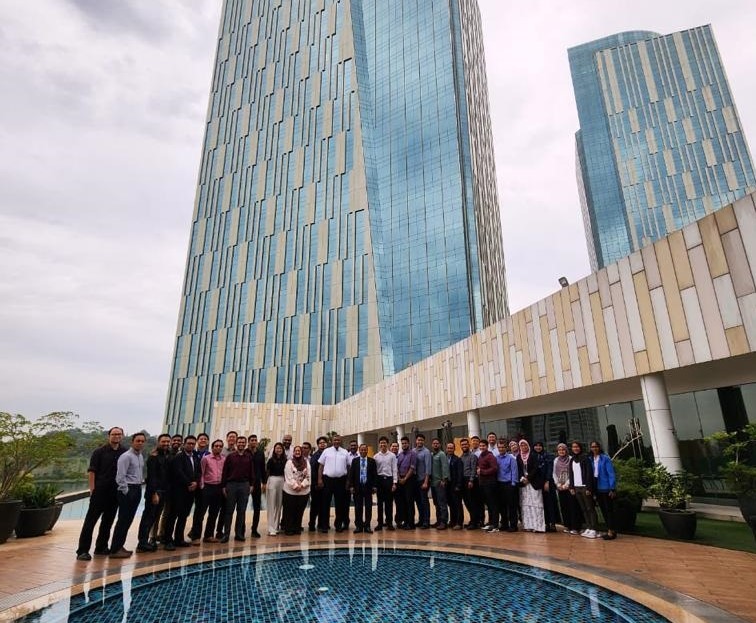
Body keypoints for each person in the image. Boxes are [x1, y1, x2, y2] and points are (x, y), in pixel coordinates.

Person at [76, 427, 125, 561]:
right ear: (109, 436)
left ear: (122, 436)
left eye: (119, 434)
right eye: (114, 434)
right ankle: (82, 550)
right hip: (100, 492)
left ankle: (101, 547)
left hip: (115, 493)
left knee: (107, 522)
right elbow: (92, 471)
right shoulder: (99, 452)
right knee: (90, 522)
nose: (116, 436)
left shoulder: (124, 452)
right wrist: (92, 490)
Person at [109, 432, 146, 558]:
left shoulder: (140, 457)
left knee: (128, 520)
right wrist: (126, 491)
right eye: (138, 441)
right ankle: (114, 549)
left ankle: (120, 545)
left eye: (142, 441)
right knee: (123, 520)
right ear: (132, 442)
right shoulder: (126, 456)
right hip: (128, 489)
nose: (140, 443)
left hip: (137, 488)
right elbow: (120, 476)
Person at [136, 433, 171, 553]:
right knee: (148, 517)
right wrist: (154, 493)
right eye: (163, 442)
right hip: (154, 492)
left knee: (154, 517)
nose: (166, 444)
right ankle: (142, 543)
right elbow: (151, 477)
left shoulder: (167, 456)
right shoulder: (153, 457)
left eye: (167, 442)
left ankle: (145, 542)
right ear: (158, 442)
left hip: (164, 491)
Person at [164, 435, 200, 550]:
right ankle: (168, 540)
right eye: (189, 443)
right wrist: (189, 483)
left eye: (193, 444)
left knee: (183, 516)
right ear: (184, 444)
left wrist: (196, 482)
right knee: (172, 516)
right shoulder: (178, 457)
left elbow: (198, 471)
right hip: (178, 491)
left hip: (190, 492)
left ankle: (179, 539)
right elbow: (178, 473)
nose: (191, 445)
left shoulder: (195, 457)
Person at [220, 435, 254, 543]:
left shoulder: (248, 457)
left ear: (245, 444)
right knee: (228, 511)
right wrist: (224, 486)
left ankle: (239, 534)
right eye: (239, 442)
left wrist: (251, 485)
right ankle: (226, 534)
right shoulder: (230, 457)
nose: (241, 444)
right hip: (231, 485)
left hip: (244, 485)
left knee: (241, 511)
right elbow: (225, 472)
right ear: (236, 443)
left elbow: (251, 472)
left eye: (243, 442)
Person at [317, 435, 351, 533]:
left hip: (341, 481)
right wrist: (320, 479)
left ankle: (338, 525)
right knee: (325, 503)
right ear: (332, 441)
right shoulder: (326, 451)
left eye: (338, 440)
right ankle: (324, 525)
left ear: (341, 441)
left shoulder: (345, 452)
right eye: (335, 440)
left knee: (340, 504)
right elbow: (321, 466)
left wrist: (348, 481)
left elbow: (348, 467)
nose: (336, 441)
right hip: (327, 480)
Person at [569, 440, 599, 539]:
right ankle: (589, 527)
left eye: (577, 447)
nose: (575, 449)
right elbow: (571, 474)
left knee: (590, 508)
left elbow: (589, 473)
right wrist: (571, 487)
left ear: (580, 448)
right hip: (576, 487)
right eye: (573, 447)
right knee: (583, 509)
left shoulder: (585, 458)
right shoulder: (572, 459)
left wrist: (589, 487)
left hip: (585, 486)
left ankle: (594, 528)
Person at [198, 439, 226, 543]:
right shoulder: (206, 459)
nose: (218, 447)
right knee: (201, 512)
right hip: (207, 487)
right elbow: (201, 473)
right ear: (212, 447)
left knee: (214, 513)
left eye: (220, 446)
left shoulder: (224, 459)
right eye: (216, 446)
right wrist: (202, 487)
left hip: (218, 488)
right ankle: (196, 535)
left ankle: (208, 535)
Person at [590, 441, 618, 540]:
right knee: (603, 511)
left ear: (599, 447)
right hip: (597, 488)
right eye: (592, 447)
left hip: (606, 488)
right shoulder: (591, 459)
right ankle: (609, 530)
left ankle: (611, 531)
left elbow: (611, 474)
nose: (594, 448)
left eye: (596, 446)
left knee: (609, 510)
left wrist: (612, 488)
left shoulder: (605, 458)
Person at [517, 439, 545, 532]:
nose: (523, 447)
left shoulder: (533, 455)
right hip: (524, 484)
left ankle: (538, 526)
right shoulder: (518, 456)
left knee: (536, 504)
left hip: (533, 482)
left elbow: (536, 468)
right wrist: (522, 478)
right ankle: (528, 525)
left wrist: (528, 478)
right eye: (521, 446)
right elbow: (519, 470)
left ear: (528, 446)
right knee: (526, 504)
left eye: (525, 445)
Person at [282, 445, 311, 535]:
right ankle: (288, 528)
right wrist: (295, 486)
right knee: (289, 511)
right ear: (293, 452)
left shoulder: (306, 462)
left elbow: (309, 476)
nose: (297, 452)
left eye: (299, 451)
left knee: (299, 511)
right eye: (296, 451)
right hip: (290, 492)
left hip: (303, 492)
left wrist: (302, 485)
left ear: (301, 452)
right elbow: (288, 476)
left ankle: (297, 527)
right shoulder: (289, 463)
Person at [349, 443, 377, 533]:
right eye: (362, 449)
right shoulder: (355, 461)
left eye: (365, 449)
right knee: (358, 507)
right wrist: (351, 486)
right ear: (359, 450)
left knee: (368, 507)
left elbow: (374, 475)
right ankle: (359, 526)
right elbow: (351, 474)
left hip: (368, 487)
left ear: (367, 451)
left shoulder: (372, 461)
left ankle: (367, 525)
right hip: (358, 487)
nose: (363, 451)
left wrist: (374, 486)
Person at [553, 443, 579, 534]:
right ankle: (568, 526)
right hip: (560, 487)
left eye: (563, 450)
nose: (561, 451)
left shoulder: (571, 459)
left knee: (572, 506)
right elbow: (554, 473)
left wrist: (566, 484)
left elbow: (572, 473)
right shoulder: (556, 460)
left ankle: (575, 527)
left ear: (566, 450)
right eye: (559, 450)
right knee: (564, 507)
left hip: (569, 486)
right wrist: (558, 484)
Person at [533, 441, 558, 532]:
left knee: (550, 503)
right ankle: (546, 523)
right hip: (538, 484)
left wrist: (547, 481)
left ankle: (552, 523)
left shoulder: (548, 456)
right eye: (536, 445)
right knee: (542, 504)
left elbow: (550, 469)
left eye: (540, 445)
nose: (538, 447)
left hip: (547, 483)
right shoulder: (533, 456)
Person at [373, 436, 397, 531]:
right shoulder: (376, 456)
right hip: (379, 480)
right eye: (381, 443)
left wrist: (394, 483)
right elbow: (374, 472)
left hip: (389, 480)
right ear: (379, 444)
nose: (383, 444)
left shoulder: (392, 456)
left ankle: (389, 523)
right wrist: (375, 485)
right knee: (380, 503)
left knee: (389, 503)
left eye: (384, 443)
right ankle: (379, 523)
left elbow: (394, 469)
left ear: (387, 444)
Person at [496, 438, 519, 532]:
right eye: (499, 447)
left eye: (502, 447)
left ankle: (513, 525)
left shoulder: (511, 458)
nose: (501, 449)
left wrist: (513, 484)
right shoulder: (496, 458)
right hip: (499, 484)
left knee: (512, 506)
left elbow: (514, 472)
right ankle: (504, 524)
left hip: (509, 484)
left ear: (506, 448)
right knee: (502, 506)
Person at [477, 439, 499, 531]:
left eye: (483, 446)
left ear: (487, 446)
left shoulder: (490, 456)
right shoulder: (481, 456)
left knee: (493, 504)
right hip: (483, 483)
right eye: (480, 446)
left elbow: (494, 469)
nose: (482, 447)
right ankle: (490, 522)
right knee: (488, 505)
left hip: (490, 483)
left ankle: (495, 524)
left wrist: (482, 471)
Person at [459, 438, 481, 529]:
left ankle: (475, 522)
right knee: (467, 502)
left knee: (472, 502)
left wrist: (471, 480)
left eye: (465, 444)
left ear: (469, 445)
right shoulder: (461, 457)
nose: (464, 446)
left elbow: (473, 469)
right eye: (462, 445)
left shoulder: (473, 456)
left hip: (470, 481)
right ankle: (472, 520)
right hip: (463, 481)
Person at [247, 434, 266, 538]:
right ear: (249, 442)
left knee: (257, 507)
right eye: (252, 440)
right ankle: (240, 529)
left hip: (257, 482)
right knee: (243, 508)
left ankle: (254, 529)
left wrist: (264, 482)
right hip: (246, 483)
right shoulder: (245, 452)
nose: (254, 442)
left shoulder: (260, 453)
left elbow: (263, 468)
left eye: (255, 440)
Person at [266, 442, 287, 536]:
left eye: (280, 448)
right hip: (272, 480)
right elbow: (267, 472)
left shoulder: (285, 460)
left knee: (279, 505)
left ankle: (276, 526)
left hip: (282, 481)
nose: (278, 450)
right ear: (274, 450)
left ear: (282, 450)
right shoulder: (271, 460)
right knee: (271, 504)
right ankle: (271, 527)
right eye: (277, 448)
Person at [396, 437, 416, 529]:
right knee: (402, 502)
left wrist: (405, 478)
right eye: (402, 443)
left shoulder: (413, 454)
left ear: (408, 444)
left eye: (405, 443)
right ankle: (405, 521)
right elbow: (397, 467)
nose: (404, 445)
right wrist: (400, 478)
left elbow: (412, 468)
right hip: (400, 480)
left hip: (409, 480)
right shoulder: (399, 455)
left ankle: (411, 523)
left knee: (409, 502)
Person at [429, 438, 449, 529]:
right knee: (436, 503)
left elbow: (445, 467)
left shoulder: (442, 454)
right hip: (433, 483)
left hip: (440, 483)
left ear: (440, 445)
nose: (435, 445)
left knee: (442, 503)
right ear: (432, 445)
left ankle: (444, 522)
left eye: (437, 443)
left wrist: (444, 480)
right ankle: (438, 520)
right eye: (434, 443)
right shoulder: (432, 455)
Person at [413, 434, 432, 529]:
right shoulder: (413, 451)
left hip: (423, 480)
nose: (419, 441)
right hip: (415, 481)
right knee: (418, 502)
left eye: (421, 440)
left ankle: (426, 521)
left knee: (424, 501)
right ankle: (421, 520)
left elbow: (428, 468)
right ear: (416, 441)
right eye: (418, 440)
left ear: (423, 441)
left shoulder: (426, 452)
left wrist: (426, 482)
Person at [309, 436, 327, 532]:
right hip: (316, 484)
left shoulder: (328, 454)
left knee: (323, 505)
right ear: (318, 445)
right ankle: (312, 524)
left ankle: (321, 524)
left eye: (324, 442)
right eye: (320, 443)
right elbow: (313, 471)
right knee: (315, 505)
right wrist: (317, 482)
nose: (322, 444)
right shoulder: (315, 456)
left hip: (325, 484)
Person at [446, 442, 464, 530]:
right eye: (448, 448)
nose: (449, 450)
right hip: (447, 486)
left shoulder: (457, 460)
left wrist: (458, 485)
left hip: (455, 485)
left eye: (451, 448)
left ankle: (459, 522)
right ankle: (452, 521)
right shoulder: (445, 459)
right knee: (451, 504)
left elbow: (460, 474)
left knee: (457, 504)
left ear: (454, 449)